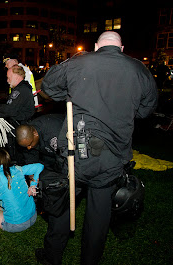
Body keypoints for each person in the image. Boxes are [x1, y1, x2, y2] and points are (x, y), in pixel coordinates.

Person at [37, 31, 158, 265]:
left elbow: (48, 87)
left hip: (76, 154)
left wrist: (71, 92)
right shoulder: (139, 69)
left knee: (62, 201)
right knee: (99, 214)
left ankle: (52, 256)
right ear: (121, 48)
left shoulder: (79, 62)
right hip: (111, 157)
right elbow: (145, 110)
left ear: (95, 46)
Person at [0, 65, 35, 164]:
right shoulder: (19, 89)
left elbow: (11, 110)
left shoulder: (21, 90)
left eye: (9, 77)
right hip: (18, 128)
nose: (7, 80)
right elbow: (10, 106)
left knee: (19, 157)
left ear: (16, 76)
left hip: (21, 129)